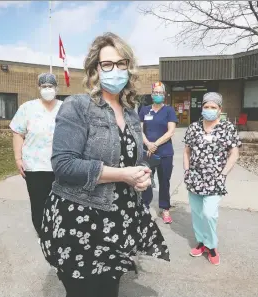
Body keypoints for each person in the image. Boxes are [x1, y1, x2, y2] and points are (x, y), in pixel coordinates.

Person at [39, 32, 170, 297]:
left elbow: (132, 157)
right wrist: (123, 175)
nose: (115, 70)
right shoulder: (77, 106)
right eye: (107, 64)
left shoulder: (132, 112)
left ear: (128, 67)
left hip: (118, 219)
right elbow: (63, 165)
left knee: (109, 290)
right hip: (80, 220)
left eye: (120, 63)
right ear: (95, 70)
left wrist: (142, 173)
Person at [183, 92, 241, 266]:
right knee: (197, 214)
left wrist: (223, 174)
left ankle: (212, 246)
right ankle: (201, 242)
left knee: (209, 214)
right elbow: (187, 151)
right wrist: (187, 171)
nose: (209, 110)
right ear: (202, 108)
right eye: (206, 107)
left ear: (220, 109)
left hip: (215, 180)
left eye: (213, 107)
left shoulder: (227, 128)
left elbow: (234, 153)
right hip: (194, 178)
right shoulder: (193, 128)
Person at [10, 73, 62, 237]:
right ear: (39, 88)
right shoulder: (27, 108)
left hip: (60, 166)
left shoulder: (64, 107)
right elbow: (18, 132)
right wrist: (18, 158)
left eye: (51, 86)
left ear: (56, 88)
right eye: (44, 86)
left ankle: (58, 234)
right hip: (34, 166)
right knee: (39, 204)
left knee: (60, 203)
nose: (48, 89)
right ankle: (43, 235)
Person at [139, 81, 178, 224]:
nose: (157, 95)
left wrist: (155, 144)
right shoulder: (144, 110)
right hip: (147, 152)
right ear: (151, 94)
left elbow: (171, 131)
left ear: (164, 95)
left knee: (164, 181)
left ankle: (165, 208)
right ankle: (144, 206)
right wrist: (148, 144)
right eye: (155, 92)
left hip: (165, 152)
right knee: (146, 180)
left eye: (160, 93)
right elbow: (140, 129)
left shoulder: (169, 111)